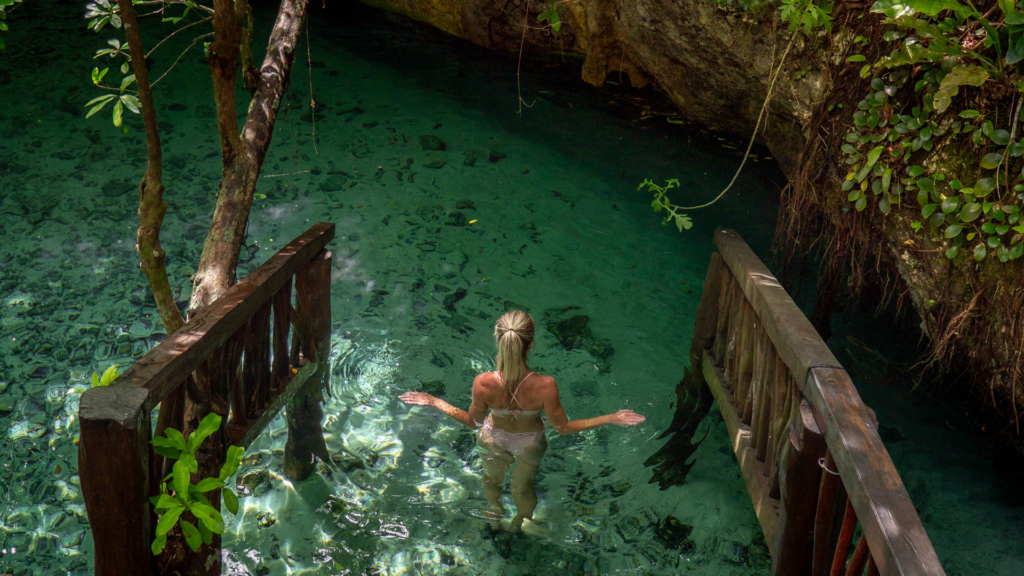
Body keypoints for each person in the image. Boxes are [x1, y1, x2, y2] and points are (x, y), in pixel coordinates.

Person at [399, 310, 645, 531]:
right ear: (530, 345)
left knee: (491, 479)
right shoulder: (545, 385)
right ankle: (523, 522)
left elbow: (473, 422)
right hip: (530, 442)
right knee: (523, 487)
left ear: (499, 341)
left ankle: (495, 513)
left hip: (493, 439)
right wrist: (611, 417)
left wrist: (434, 401)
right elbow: (563, 428)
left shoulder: (483, 382)